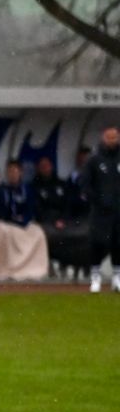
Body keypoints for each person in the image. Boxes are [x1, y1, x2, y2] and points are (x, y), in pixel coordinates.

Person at [0, 163, 48, 282]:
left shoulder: (9, 191)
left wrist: (22, 221)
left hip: (11, 224)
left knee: (37, 231)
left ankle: (34, 269)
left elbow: (27, 209)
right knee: (2, 230)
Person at [81, 125, 120, 293]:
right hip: (100, 211)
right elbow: (85, 184)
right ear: (103, 138)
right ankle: (95, 276)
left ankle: (117, 277)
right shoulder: (94, 159)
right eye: (109, 137)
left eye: (114, 137)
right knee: (97, 243)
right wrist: (97, 200)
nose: (112, 140)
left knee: (118, 243)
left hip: (118, 211)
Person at [28, 156, 78, 278]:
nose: (45, 168)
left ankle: (69, 265)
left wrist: (62, 219)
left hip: (63, 220)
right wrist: (51, 221)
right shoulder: (34, 186)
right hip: (45, 221)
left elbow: (68, 205)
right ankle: (50, 264)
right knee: (47, 234)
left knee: (75, 232)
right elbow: (37, 208)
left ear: (51, 166)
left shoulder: (61, 184)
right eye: (42, 166)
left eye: (47, 165)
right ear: (38, 168)